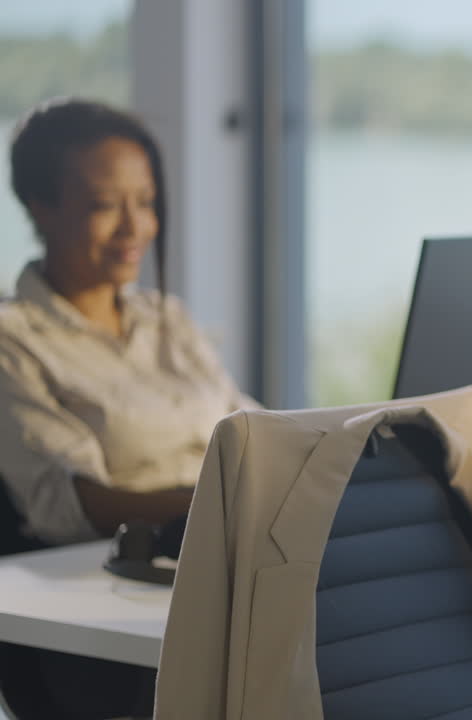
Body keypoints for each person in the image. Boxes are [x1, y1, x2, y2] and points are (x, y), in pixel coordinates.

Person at [0, 98, 256, 719]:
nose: (134, 227)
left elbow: (253, 431)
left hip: (218, 568)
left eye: (145, 202)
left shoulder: (164, 319)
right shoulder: (14, 338)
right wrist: (210, 502)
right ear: (41, 208)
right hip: (111, 599)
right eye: (103, 205)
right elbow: (66, 502)